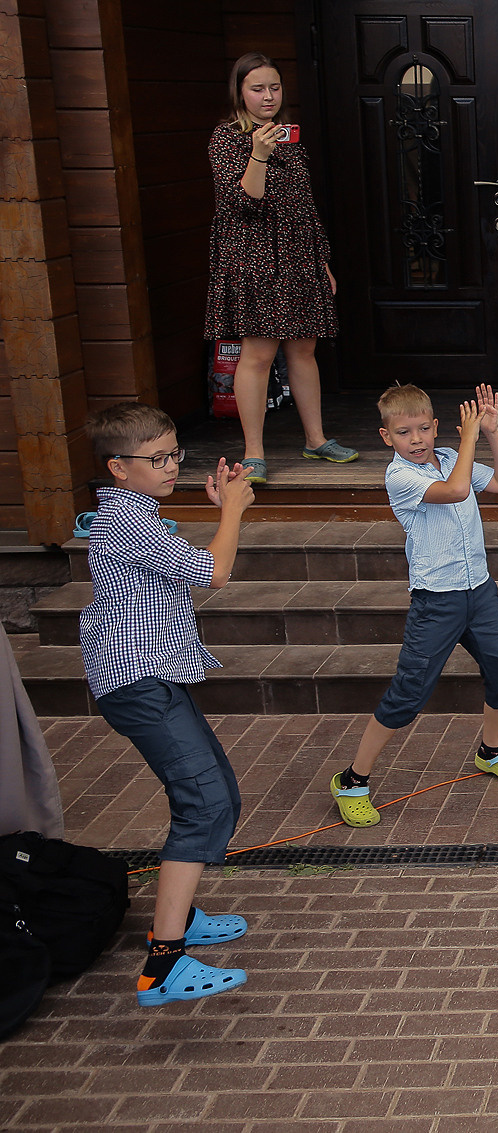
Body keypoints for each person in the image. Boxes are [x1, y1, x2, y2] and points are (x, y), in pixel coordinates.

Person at [78, 403, 255, 1006]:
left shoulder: (137, 516)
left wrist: (221, 513)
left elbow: (182, 571)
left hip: (152, 679)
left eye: (175, 453)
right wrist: (232, 510)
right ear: (118, 468)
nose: (172, 466)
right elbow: (217, 572)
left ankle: (176, 917)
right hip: (139, 686)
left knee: (220, 794)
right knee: (203, 805)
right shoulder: (130, 523)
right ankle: (163, 965)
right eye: (158, 459)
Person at [328, 384, 498, 827]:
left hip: (480, 591)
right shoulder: (400, 477)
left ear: (436, 427)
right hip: (437, 600)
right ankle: (352, 780)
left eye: (422, 429)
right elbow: (456, 493)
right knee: (409, 693)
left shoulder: (454, 458)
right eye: (403, 432)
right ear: (387, 438)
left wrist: (491, 432)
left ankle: (491, 752)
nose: (415, 439)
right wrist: (470, 438)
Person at [204, 51, 358, 485]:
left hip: (297, 257)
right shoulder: (226, 138)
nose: (268, 96)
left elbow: (305, 207)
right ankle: (254, 453)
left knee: (304, 350)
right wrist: (258, 153)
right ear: (240, 92)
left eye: (274, 87)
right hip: (254, 259)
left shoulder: (290, 136)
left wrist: (321, 258)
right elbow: (243, 203)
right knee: (258, 354)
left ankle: (316, 440)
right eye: (257, 88)